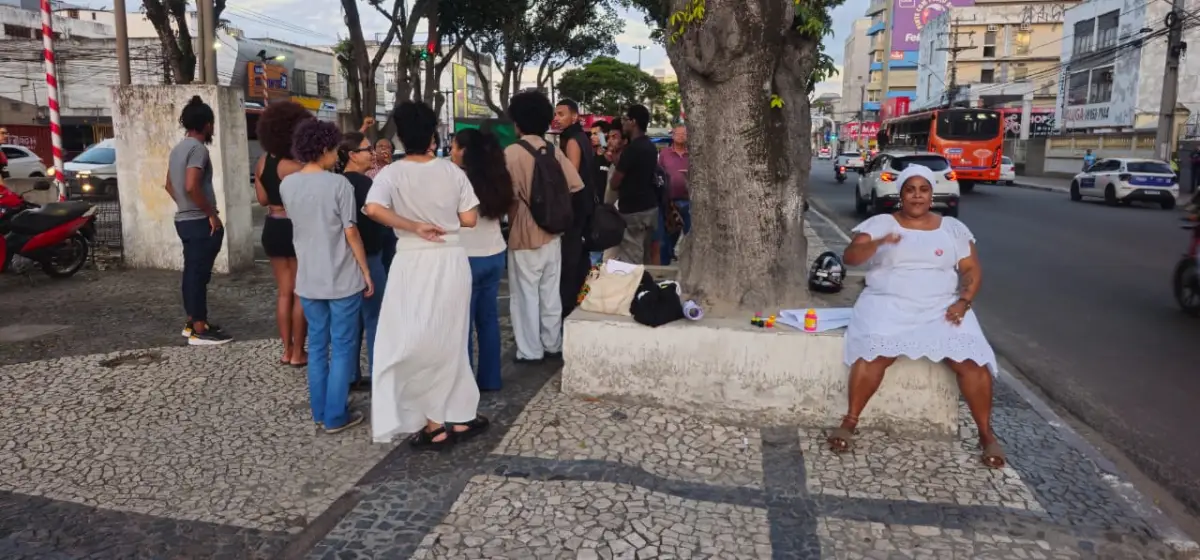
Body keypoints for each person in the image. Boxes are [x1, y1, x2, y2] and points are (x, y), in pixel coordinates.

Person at [829, 164, 1004, 468]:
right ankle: (850, 421)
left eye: (923, 190)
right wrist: (879, 243)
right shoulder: (881, 223)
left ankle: (986, 434)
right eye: (910, 190)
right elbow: (851, 257)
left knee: (972, 362)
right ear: (901, 194)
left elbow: (971, 269)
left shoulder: (952, 228)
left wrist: (964, 302)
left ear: (931, 194)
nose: (917, 196)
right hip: (887, 304)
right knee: (873, 353)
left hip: (941, 307)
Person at [364, 100, 489, 448]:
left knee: (412, 337)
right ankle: (459, 414)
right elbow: (469, 219)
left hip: (411, 260)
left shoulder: (392, 173)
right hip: (451, 259)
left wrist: (412, 225)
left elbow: (373, 208)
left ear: (401, 137)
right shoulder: (453, 172)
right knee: (452, 337)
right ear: (433, 135)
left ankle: (435, 423)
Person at [280, 120, 373, 434]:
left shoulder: (287, 185)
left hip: (309, 278)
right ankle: (336, 415)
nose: (337, 155)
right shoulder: (339, 185)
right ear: (323, 149)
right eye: (334, 150)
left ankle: (320, 410)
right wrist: (365, 270)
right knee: (343, 346)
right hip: (342, 276)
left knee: (318, 346)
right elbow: (351, 232)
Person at [504, 91, 585, 363]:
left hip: (524, 234)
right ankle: (552, 343)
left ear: (517, 122)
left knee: (525, 295)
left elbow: (507, 197)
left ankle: (530, 350)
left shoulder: (511, 153)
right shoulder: (553, 150)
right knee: (550, 293)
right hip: (553, 233)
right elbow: (575, 185)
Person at [165, 96, 232, 345]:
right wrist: (209, 214)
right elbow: (192, 185)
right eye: (211, 124)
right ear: (207, 124)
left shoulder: (177, 149)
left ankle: (193, 321)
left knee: (192, 272)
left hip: (184, 220)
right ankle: (199, 330)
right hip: (199, 221)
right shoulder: (198, 149)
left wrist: (184, 206)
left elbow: (169, 184)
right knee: (198, 275)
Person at [452, 128, 514, 391]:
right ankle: (491, 379)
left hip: (467, 257)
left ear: (465, 151)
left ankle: (465, 386)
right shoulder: (498, 176)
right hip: (495, 253)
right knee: (488, 320)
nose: (451, 152)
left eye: (454, 147)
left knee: (463, 324)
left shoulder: (457, 179)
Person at [254, 100, 313, 365]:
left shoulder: (262, 162)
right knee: (301, 292)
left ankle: (286, 350)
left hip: (272, 227)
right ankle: (299, 352)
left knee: (284, 292)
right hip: (295, 228)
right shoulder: (298, 167)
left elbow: (262, 200)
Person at [339, 132, 388, 392]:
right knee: (375, 318)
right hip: (369, 256)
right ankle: (380, 373)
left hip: (343, 260)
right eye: (367, 149)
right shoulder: (365, 185)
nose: (372, 153)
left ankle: (349, 375)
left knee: (351, 321)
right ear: (352, 155)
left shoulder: (337, 183)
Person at [554, 99, 597, 316]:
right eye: (556, 114)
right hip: (585, 205)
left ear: (574, 116)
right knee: (580, 258)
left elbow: (571, 177)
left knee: (571, 259)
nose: (557, 118)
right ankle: (581, 297)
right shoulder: (582, 137)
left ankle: (568, 303)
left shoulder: (572, 140)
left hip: (576, 207)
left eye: (561, 114)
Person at [609, 105, 660, 264]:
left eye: (625, 119)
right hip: (650, 208)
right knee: (645, 255)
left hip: (632, 211)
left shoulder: (632, 149)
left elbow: (614, 183)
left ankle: (636, 280)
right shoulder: (651, 147)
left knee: (631, 258)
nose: (623, 123)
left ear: (633, 122)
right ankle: (645, 279)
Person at [657, 124, 691, 264]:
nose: (681, 136)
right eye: (678, 133)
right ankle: (664, 265)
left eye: (684, 134)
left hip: (689, 201)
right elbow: (658, 174)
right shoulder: (664, 153)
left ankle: (689, 264)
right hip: (669, 202)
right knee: (666, 238)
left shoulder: (692, 154)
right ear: (673, 135)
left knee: (690, 235)